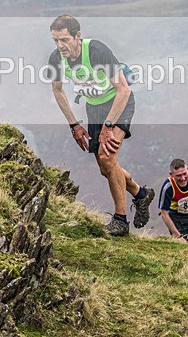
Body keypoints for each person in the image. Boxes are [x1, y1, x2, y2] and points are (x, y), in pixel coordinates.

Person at [47, 15, 154, 236]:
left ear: (78, 36)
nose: (60, 46)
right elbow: (57, 90)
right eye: (56, 40)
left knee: (108, 158)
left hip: (118, 104)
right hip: (94, 108)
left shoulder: (96, 51)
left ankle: (120, 220)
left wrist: (108, 125)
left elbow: (124, 90)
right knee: (105, 168)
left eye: (64, 40)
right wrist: (74, 125)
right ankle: (141, 194)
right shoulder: (56, 58)